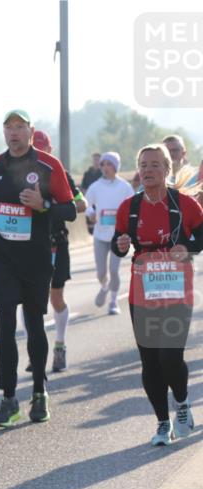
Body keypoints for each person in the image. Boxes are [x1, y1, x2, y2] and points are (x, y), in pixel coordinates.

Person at [0, 110, 75, 427]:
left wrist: (44, 206)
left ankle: (39, 392)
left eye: (20, 127)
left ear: (31, 132)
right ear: (3, 133)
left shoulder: (48, 166)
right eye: (8, 128)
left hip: (36, 257)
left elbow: (70, 209)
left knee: (34, 324)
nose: (14, 133)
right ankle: (8, 399)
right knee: (5, 323)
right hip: (2, 258)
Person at [112, 144, 203, 445]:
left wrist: (188, 247)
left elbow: (201, 236)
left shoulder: (185, 204)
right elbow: (118, 241)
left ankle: (182, 402)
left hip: (177, 290)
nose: (148, 170)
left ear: (166, 169)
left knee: (170, 356)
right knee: (150, 361)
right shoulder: (130, 207)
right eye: (143, 165)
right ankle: (162, 423)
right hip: (143, 292)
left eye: (154, 165)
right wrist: (121, 244)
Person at [28, 130, 86, 373]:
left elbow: (81, 205)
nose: (40, 154)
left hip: (56, 243)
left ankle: (60, 345)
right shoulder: (21, 174)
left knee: (55, 298)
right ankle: (35, 350)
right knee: (30, 301)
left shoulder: (61, 174)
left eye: (44, 150)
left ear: (49, 151)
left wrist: (49, 205)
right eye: (36, 150)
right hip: (28, 245)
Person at [85, 152, 134, 315]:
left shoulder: (125, 187)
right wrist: (90, 213)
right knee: (101, 273)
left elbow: (133, 206)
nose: (105, 168)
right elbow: (87, 204)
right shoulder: (95, 186)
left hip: (118, 236)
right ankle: (105, 286)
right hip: (100, 235)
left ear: (116, 167)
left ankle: (113, 302)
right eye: (103, 164)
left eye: (109, 164)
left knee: (114, 269)